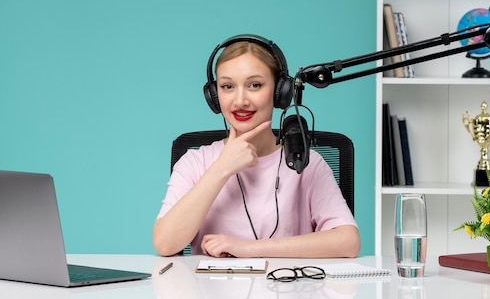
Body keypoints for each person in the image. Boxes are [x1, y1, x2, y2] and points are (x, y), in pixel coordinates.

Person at [152, 35, 360, 258]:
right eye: (227, 86)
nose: (240, 100)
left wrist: (248, 248)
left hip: (285, 290)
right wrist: (222, 168)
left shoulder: (304, 163)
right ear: (214, 95)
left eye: (255, 85)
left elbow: (348, 242)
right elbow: (165, 244)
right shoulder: (195, 162)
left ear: (280, 92)